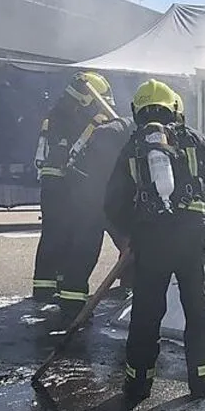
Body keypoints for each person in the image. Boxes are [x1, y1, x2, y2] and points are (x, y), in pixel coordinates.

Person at [105, 79, 205, 409]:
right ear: (174, 107)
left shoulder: (132, 147)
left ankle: (137, 385)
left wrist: (129, 233)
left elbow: (112, 203)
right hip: (191, 239)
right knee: (196, 309)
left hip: (151, 242)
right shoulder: (190, 138)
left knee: (146, 313)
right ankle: (204, 379)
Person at [32, 72, 120, 304]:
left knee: (55, 234)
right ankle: (70, 295)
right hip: (74, 182)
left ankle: (45, 289)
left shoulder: (57, 115)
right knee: (82, 235)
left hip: (51, 181)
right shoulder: (91, 119)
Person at [55, 89, 135, 318]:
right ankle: (74, 301)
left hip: (87, 190)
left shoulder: (115, 129)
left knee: (88, 244)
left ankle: (73, 296)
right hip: (97, 193)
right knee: (96, 244)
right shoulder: (126, 133)